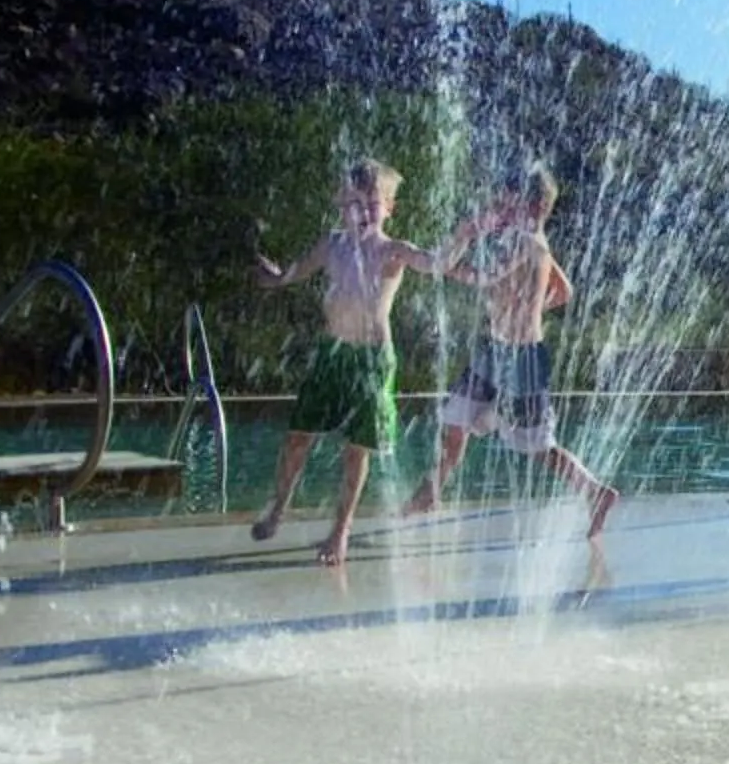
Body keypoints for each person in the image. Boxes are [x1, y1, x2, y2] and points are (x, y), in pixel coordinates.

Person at [402, 163, 618, 536]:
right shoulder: (536, 244)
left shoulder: (527, 243)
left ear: (530, 206)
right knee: (455, 419)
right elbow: (565, 292)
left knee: (537, 446)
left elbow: (485, 277)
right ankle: (432, 489)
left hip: (522, 361)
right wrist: (528, 307)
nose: (498, 210)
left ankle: (595, 491)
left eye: (506, 203)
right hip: (497, 352)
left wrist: (455, 256)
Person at [251, 158, 443, 566]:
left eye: (373, 203)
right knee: (298, 435)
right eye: (355, 202)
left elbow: (432, 261)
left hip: (372, 360)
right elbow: (296, 272)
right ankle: (279, 505)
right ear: (341, 205)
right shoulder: (332, 244)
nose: (363, 211)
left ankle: (340, 531)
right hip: (332, 354)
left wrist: (461, 243)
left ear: (390, 207)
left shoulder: (394, 251)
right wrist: (275, 278)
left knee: (357, 449)